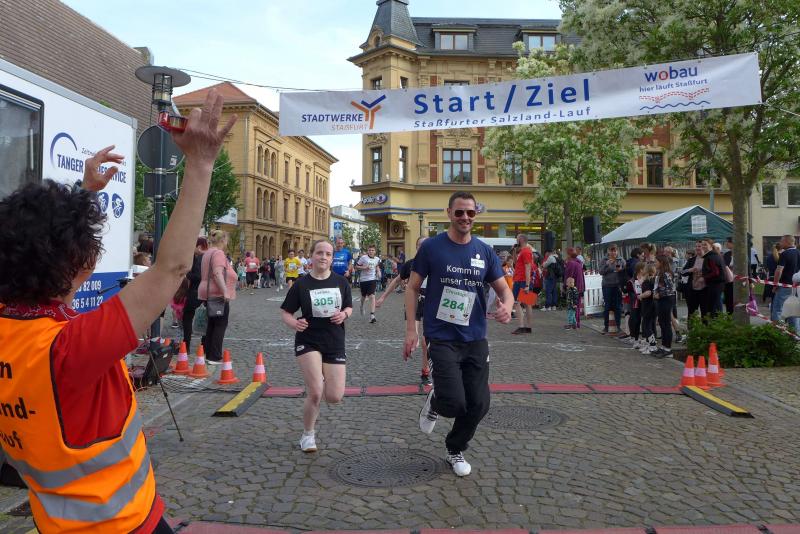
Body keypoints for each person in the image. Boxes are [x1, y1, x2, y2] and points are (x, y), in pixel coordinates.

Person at [0, 90, 234, 533]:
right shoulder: (70, 350)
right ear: (78, 264)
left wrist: (82, 195)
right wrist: (201, 164)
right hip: (124, 523)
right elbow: (171, 268)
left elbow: (31, 242)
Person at [404, 191, 513, 477]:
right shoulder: (432, 248)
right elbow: (412, 287)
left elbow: (504, 289)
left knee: (479, 404)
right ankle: (437, 400)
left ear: (476, 215)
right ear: (449, 213)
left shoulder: (484, 251)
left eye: (470, 213)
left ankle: (455, 447)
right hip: (441, 336)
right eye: (460, 212)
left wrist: (508, 306)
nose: (465, 217)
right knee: (454, 403)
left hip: (475, 337)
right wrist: (411, 330)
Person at [280, 239, 352, 452]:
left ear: (332, 258)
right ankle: (308, 435)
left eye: (328, 254)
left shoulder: (341, 282)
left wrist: (344, 314)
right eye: (319, 253)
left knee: (334, 396)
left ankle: (323, 378)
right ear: (311, 256)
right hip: (308, 339)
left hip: (334, 339)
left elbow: (349, 307)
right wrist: (294, 323)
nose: (323, 257)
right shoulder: (301, 284)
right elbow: (286, 313)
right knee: (315, 392)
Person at [377, 236, 431, 383]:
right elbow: (396, 281)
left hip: (431, 303)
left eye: (426, 244)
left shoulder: (436, 262)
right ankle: (414, 345)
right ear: (417, 247)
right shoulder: (411, 264)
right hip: (414, 303)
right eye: (420, 245)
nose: (423, 247)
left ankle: (425, 371)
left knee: (426, 342)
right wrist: (383, 297)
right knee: (416, 339)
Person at [199, 230, 237, 364]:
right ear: (223, 240)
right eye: (226, 240)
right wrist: (225, 291)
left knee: (212, 324)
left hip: (208, 292)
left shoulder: (208, 252)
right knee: (220, 324)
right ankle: (214, 356)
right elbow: (217, 273)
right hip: (217, 293)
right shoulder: (218, 253)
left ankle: (209, 354)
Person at [182, 237, 208, 353]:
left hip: (195, 292)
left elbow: (197, 276)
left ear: (199, 247)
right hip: (205, 292)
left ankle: (186, 345)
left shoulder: (201, 258)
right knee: (204, 318)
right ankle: (204, 345)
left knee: (187, 318)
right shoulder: (207, 257)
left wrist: (187, 274)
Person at [771, 235, 800, 331]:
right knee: (793, 311)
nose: (780, 243)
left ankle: (776, 333)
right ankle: (795, 334)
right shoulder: (798, 253)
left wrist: (775, 284)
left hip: (784, 286)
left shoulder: (784, 254)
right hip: (796, 287)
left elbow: (779, 270)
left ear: (787, 242)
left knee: (778, 310)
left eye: (782, 241)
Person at [511, 233, 536, 335]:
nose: (516, 241)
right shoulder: (523, 251)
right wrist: (514, 251)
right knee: (527, 304)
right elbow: (516, 263)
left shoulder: (526, 251)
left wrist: (527, 285)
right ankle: (528, 328)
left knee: (516, 303)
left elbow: (528, 267)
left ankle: (521, 327)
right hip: (521, 280)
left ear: (521, 239)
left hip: (522, 281)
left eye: (517, 239)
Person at [652, 255, 676, 358]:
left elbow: (670, 289)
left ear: (661, 262)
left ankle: (668, 349)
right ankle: (663, 346)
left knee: (666, 324)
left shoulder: (666, 274)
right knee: (662, 323)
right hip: (660, 300)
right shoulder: (659, 273)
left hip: (666, 300)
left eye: (656, 261)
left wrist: (659, 294)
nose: (654, 263)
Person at [599, 244, 625, 335]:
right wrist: (607, 265)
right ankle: (606, 327)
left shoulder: (621, 260)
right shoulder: (604, 260)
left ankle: (618, 327)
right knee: (607, 306)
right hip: (607, 285)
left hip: (617, 286)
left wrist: (621, 270)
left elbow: (625, 272)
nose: (613, 253)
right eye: (611, 251)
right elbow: (601, 272)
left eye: (615, 251)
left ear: (617, 251)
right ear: (608, 251)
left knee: (618, 306)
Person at [699, 238, 726, 317]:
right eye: (702, 245)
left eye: (705, 245)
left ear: (711, 246)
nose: (703, 246)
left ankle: (715, 321)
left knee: (713, 306)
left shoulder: (711, 257)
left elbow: (715, 272)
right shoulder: (714, 255)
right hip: (717, 284)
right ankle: (717, 320)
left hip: (715, 284)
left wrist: (704, 277)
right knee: (716, 304)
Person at [356, 244, 381, 323]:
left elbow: (377, 266)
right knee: (363, 296)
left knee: (372, 296)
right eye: (369, 250)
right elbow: (356, 266)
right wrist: (364, 268)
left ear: (375, 251)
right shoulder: (363, 258)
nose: (371, 251)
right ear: (368, 251)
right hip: (363, 280)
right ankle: (361, 306)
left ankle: (372, 315)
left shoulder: (377, 259)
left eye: (372, 250)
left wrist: (378, 272)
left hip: (372, 279)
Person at [564, 248, 585, 328]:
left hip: (573, 287)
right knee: (577, 305)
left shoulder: (571, 263)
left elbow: (569, 276)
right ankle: (577, 322)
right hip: (579, 287)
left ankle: (573, 323)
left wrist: (565, 286)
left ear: (569, 255)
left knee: (572, 306)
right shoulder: (579, 263)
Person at [638, 264, 657, 354]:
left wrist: (640, 296)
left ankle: (652, 345)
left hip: (648, 305)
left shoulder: (647, 281)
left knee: (647, 325)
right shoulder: (654, 280)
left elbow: (648, 293)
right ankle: (649, 344)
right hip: (653, 305)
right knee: (649, 324)